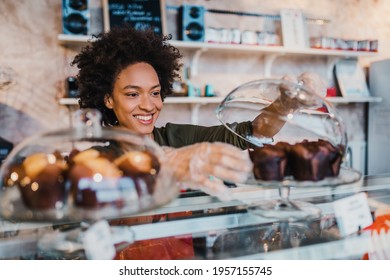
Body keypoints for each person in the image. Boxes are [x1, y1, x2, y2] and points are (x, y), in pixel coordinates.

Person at [71, 26, 325, 198]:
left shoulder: (177, 138)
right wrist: (166, 164)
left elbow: (249, 133)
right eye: (132, 94)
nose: (149, 105)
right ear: (108, 99)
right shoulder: (94, 156)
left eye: (155, 92)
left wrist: (285, 103)